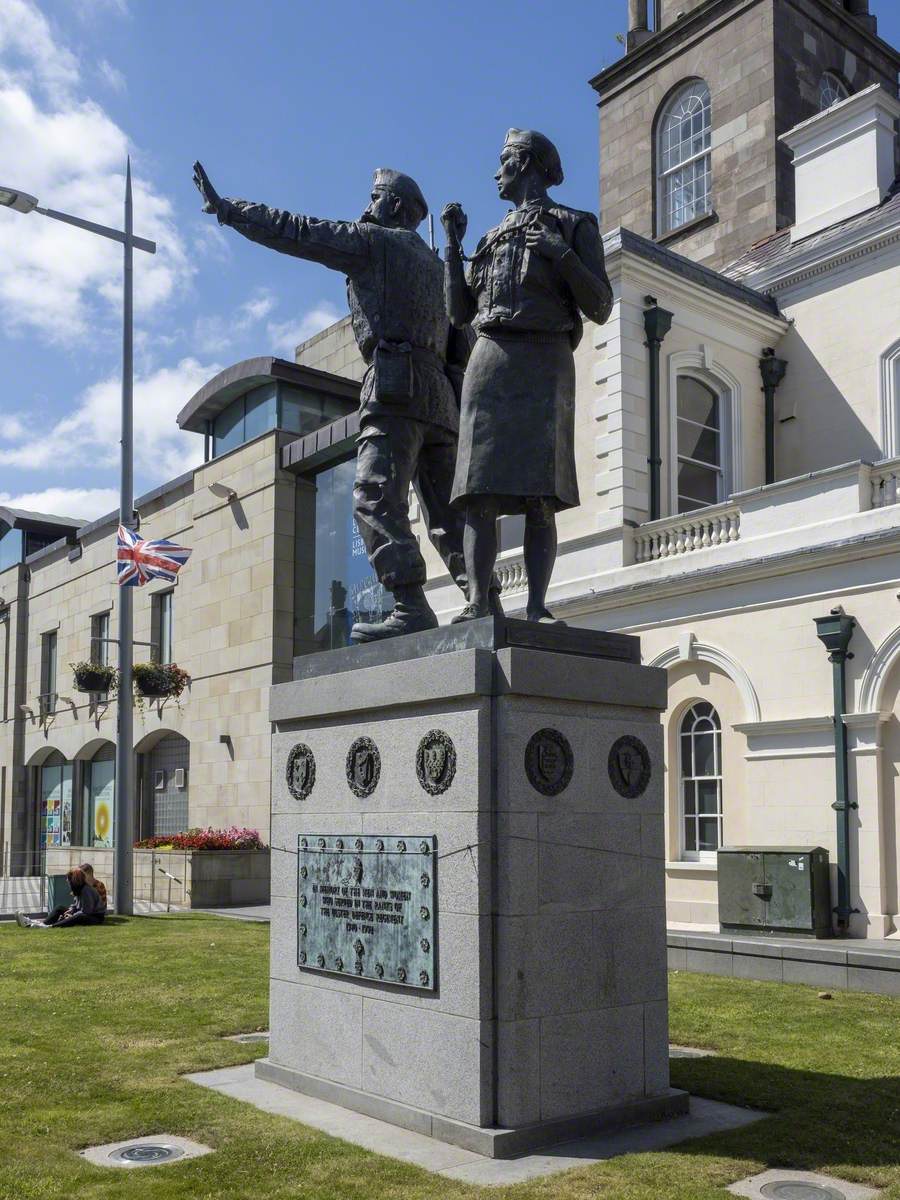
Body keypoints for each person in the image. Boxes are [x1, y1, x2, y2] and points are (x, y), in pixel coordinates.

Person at [193, 160, 500, 641]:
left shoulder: (373, 243)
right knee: (447, 514)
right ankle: (485, 600)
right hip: (441, 402)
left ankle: (410, 603)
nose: (366, 206)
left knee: (374, 499)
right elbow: (460, 350)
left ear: (393, 206)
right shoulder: (440, 269)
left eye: (374, 198)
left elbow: (297, 232)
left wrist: (231, 211)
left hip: (395, 387)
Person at [442, 128, 613, 623]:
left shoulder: (575, 223)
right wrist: (453, 245)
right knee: (477, 492)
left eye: (504, 160)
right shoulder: (489, 237)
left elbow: (600, 305)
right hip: (490, 357)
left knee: (541, 494)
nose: (496, 171)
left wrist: (560, 253)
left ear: (530, 163)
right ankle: (477, 602)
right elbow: (457, 313)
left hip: (545, 358)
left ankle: (537, 607)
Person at [15, 867, 104, 928]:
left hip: (95, 918)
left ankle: (50, 927)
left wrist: (71, 915)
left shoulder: (86, 890)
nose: (67, 881)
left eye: (68, 879)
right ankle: (41, 923)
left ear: (74, 881)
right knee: (60, 908)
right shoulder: (79, 889)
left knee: (79, 916)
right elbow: (76, 905)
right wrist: (71, 910)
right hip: (84, 913)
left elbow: (86, 911)